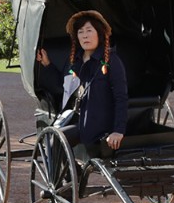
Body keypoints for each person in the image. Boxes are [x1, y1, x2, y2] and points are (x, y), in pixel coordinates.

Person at [37, 9, 128, 152]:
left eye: (89, 30)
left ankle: (74, 173)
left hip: (99, 124)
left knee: (55, 143)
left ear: (99, 33)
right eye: (80, 32)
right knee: (51, 142)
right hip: (79, 120)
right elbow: (62, 86)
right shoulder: (75, 60)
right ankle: (74, 174)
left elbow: (121, 97)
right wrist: (47, 64)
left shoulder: (112, 61)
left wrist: (118, 131)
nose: (85, 35)